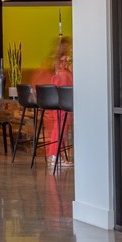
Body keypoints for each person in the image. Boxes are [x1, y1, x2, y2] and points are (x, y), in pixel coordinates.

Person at [33, 36, 73, 167]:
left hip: (53, 99)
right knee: (60, 126)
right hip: (61, 99)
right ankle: (55, 156)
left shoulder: (54, 62)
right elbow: (64, 79)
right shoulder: (61, 64)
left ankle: (55, 156)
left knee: (59, 126)